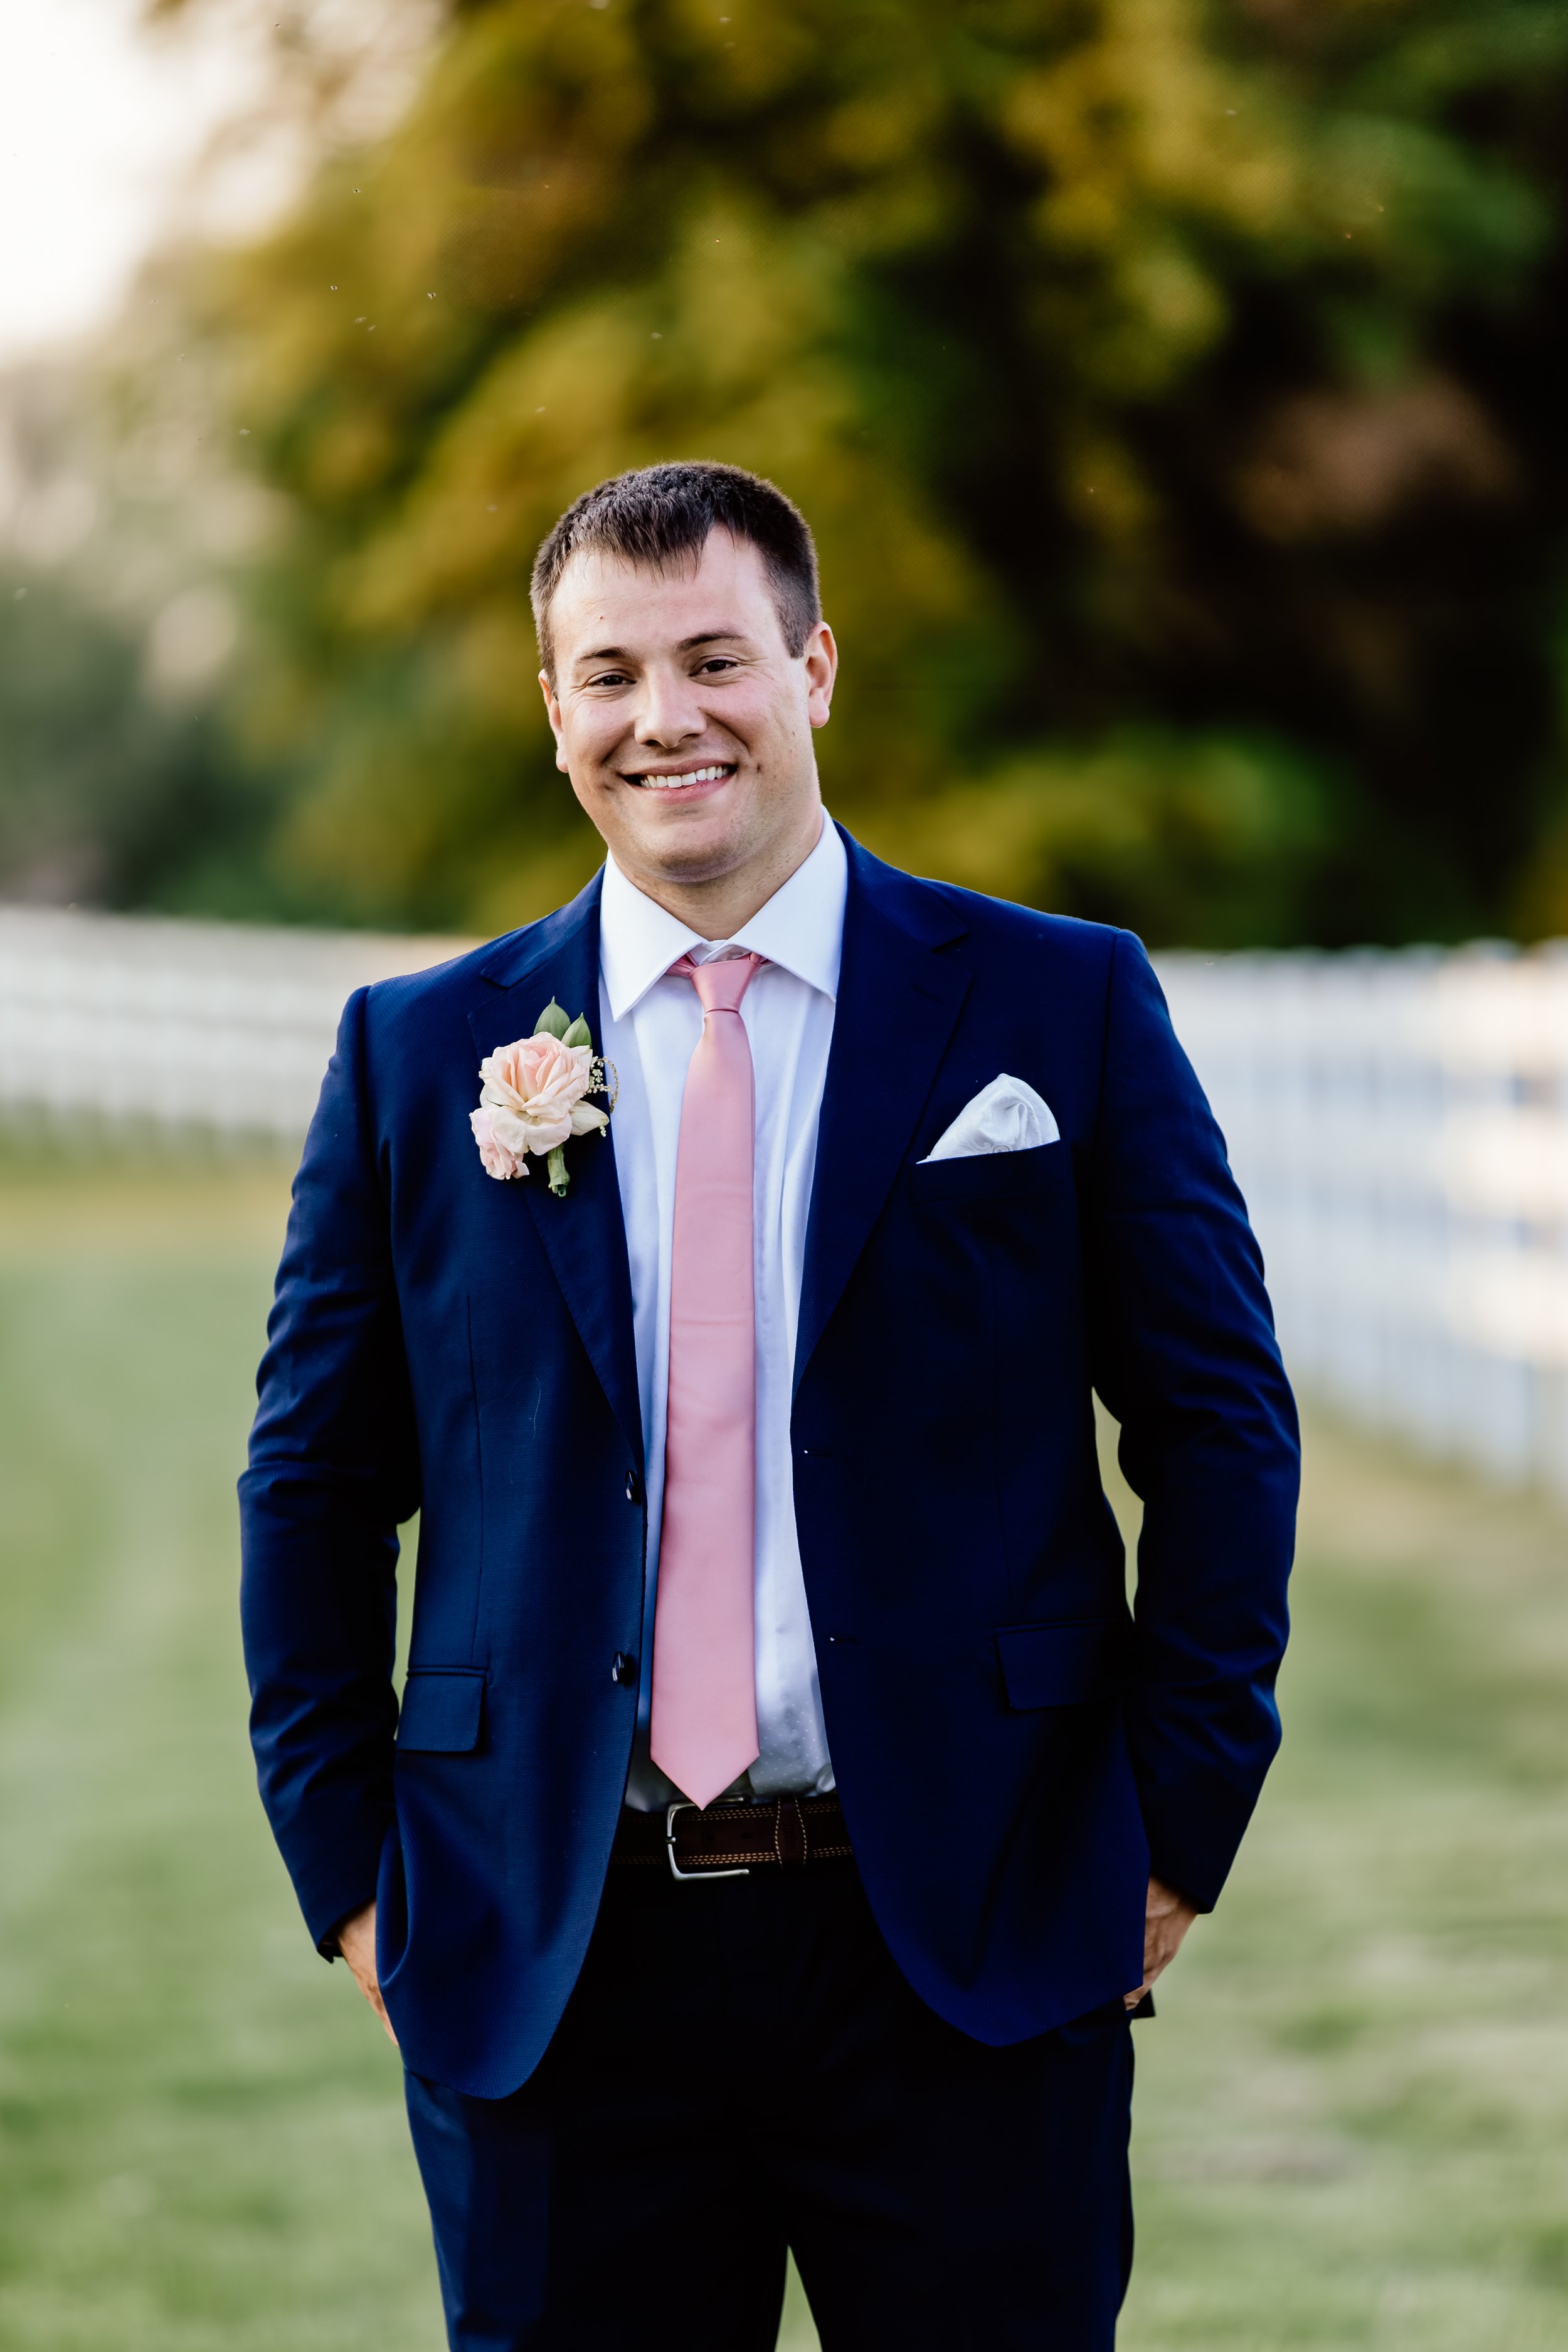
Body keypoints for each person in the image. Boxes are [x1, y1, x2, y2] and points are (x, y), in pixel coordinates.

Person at [240, 460, 1298, 2350]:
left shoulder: (1056, 1008)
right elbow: (314, 1483)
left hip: (971, 1921)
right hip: (558, 1945)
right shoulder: (415, 1056)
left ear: (813, 668)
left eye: (714, 658)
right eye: (610, 675)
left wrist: (1172, 1817)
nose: (666, 719)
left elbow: (1216, 1423)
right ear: (551, 708)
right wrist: (349, 1875)